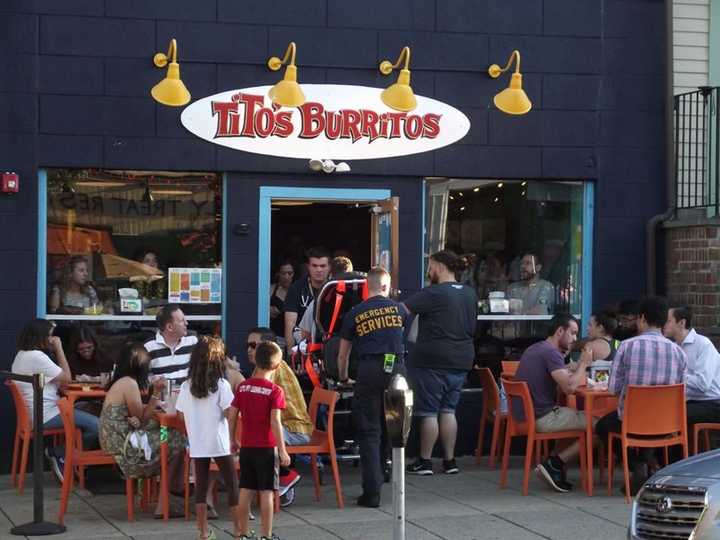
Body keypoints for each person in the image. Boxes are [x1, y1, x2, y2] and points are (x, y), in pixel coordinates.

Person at [596, 296, 687, 493]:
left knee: (603, 426)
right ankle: (645, 464)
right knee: (651, 427)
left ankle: (636, 465)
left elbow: (612, 389)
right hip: (667, 423)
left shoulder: (627, 346)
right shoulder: (678, 352)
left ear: (643, 318)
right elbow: (683, 389)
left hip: (632, 420)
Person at [337, 266, 408, 507]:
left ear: (368, 286)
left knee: (369, 431)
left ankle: (372, 492)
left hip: (368, 371)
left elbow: (342, 355)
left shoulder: (355, 313)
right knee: (394, 427)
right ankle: (387, 470)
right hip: (396, 369)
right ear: (387, 287)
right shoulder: (400, 310)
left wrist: (344, 378)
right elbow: (410, 338)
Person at [404, 250, 477, 476]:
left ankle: (425, 461)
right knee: (448, 410)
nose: (429, 271)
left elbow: (401, 311)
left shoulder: (433, 293)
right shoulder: (469, 294)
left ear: (441, 267)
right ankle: (450, 461)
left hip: (432, 359)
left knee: (428, 412)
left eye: (431, 266)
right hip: (461, 358)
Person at [99, 342, 186, 518]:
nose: (149, 364)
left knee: (167, 434)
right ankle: (168, 495)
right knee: (178, 440)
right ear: (135, 361)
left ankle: (168, 490)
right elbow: (142, 418)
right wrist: (156, 393)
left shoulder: (122, 382)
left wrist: (144, 409)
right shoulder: (129, 383)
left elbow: (137, 417)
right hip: (125, 445)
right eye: (146, 360)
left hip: (118, 437)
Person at [12, 319, 99, 483]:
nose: (53, 339)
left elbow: (57, 380)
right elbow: (67, 379)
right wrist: (59, 348)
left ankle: (66, 456)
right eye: (51, 335)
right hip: (47, 414)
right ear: (41, 336)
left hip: (39, 413)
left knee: (87, 410)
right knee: (99, 425)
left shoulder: (22, 354)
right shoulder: (36, 356)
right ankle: (60, 454)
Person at [515, 314, 593, 493]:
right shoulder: (551, 353)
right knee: (599, 426)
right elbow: (569, 388)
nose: (575, 339)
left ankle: (551, 465)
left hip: (526, 415)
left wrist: (568, 368)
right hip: (542, 417)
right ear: (560, 331)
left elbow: (555, 375)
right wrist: (583, 364)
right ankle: (554, 465)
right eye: (572, 333)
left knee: (576, 423)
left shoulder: (537, 348)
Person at [176, 337, 240, 540]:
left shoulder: (187, 386)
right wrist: (232, 437)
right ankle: (239, 529)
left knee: (201, 488)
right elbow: (231, 412)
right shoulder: (221, 385)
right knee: (232, 484)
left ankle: (203, 532)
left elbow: (179, 414)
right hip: (219, 442)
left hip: (197, 443)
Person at [229, 341, 290, 540]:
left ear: (255, 360)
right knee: (266, 492)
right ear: (277, 366)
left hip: (246, 446)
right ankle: (266, 535)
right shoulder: (275, 391)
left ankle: (242, 534)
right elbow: (275, 421)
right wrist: (282, 450)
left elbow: (232, 414)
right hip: (266, 448)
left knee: (245, 489)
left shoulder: (244, 387)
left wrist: (231, 438)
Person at [246, 327, 313, 507]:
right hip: (282, 425)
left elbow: (261, 406)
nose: (249, 350)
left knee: (256, 433)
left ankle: (283, 477)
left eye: (254, 346)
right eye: (248, 345)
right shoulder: (261, 369)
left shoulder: (272, 368)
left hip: (295, 429)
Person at [663, 306, 720, 436]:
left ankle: (678, 456)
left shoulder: (703, 344)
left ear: (682, 323)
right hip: (689, 402)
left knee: (670, 415)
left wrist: (674, 377)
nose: (663, 324)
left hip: (712, 403)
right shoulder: (674, 347)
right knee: (657, 411)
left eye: (668, 321)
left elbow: (702, 384)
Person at [283, 247, 331, 354]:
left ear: (329, 267)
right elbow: (290, 324)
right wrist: (292, 355)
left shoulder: (335, 288)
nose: (319, 269)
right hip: (302, 345)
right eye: (314, 266)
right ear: (308, 267)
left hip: (329, 345)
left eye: (322, 266)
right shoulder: (296, 288)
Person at [144, 304, 198, 383]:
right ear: (170, 327)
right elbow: (143, 378)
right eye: (182, 321)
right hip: (162, 394)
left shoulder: (193, 341)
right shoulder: (149, 347)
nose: (186, 323)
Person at [269, 261, 294, 344]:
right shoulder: (272, 289)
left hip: (293, 337)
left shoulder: (297, 291)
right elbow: (260, 306)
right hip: (275, 337)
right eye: (283, 273)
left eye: (289, 273)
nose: (286, 276)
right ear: (278, 274)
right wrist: (268, 310)